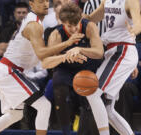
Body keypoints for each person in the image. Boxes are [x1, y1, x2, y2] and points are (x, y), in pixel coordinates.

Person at [0, 0, 85, 135]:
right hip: (10, 71)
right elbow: (42, 54)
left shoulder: (36, 22)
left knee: (15, 114)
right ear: (31, 4)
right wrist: (67, 43)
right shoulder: (33, 24)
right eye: (40, 1)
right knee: (44, 106)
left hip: (9, 70)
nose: (45, 4)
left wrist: (65, 56)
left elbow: (44, 61)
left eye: (46, 1)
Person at [79, 0, 141, 134]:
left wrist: (134, 30)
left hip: (123, 51)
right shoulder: (106, 1)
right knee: (108, 109)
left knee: (92, 92)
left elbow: (139, 25)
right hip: (113, 52)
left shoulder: (131, 1)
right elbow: (92, 18)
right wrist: (80, 17)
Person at [41, 2, 104, 135]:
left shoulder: (89, 26)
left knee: (91, 99)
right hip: (65, 69)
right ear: (62, 22)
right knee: (58, 86)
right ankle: (66, 131)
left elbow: (99, 52)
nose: (74, 29)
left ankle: (86, 126)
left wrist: (79, 49)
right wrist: (65, 57)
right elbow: (45, 63)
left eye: (76, 25)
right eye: (70, 26)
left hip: (87, 67)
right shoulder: (56, 34)